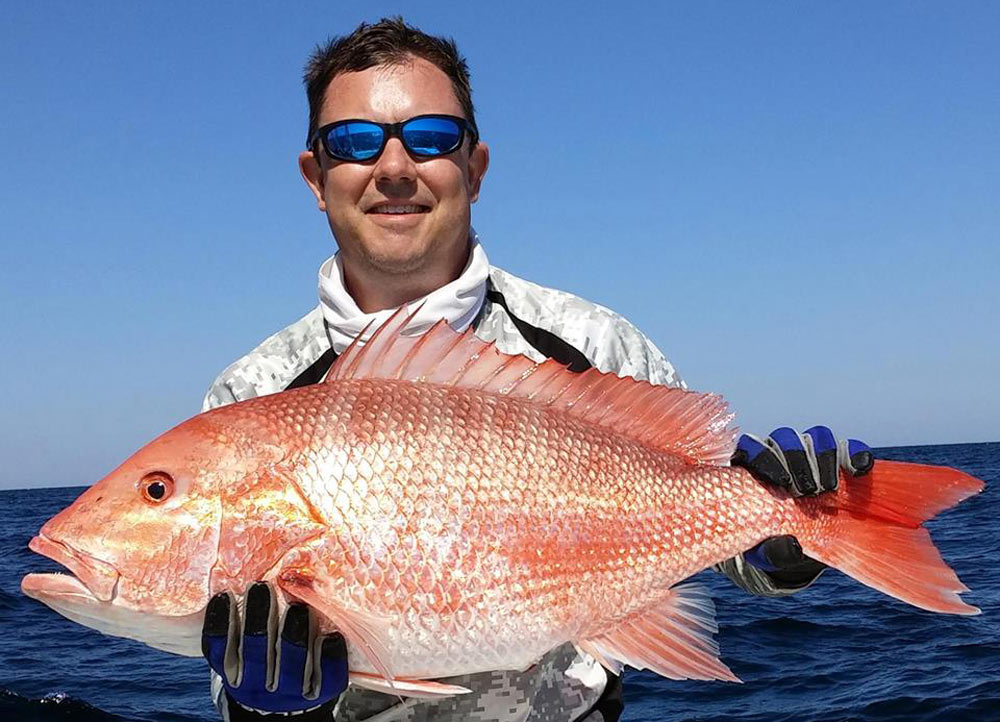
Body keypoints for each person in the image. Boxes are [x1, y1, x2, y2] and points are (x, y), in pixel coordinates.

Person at [198, 17, 874, 722]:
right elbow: (214, 652)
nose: (394, 167)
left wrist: (789, 537)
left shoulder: (590, 344)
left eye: (431, 137)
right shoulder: (252, 395)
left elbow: (723, 534)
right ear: (316, 177)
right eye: (353, 142)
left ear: (475, 168)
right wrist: (261, 704)